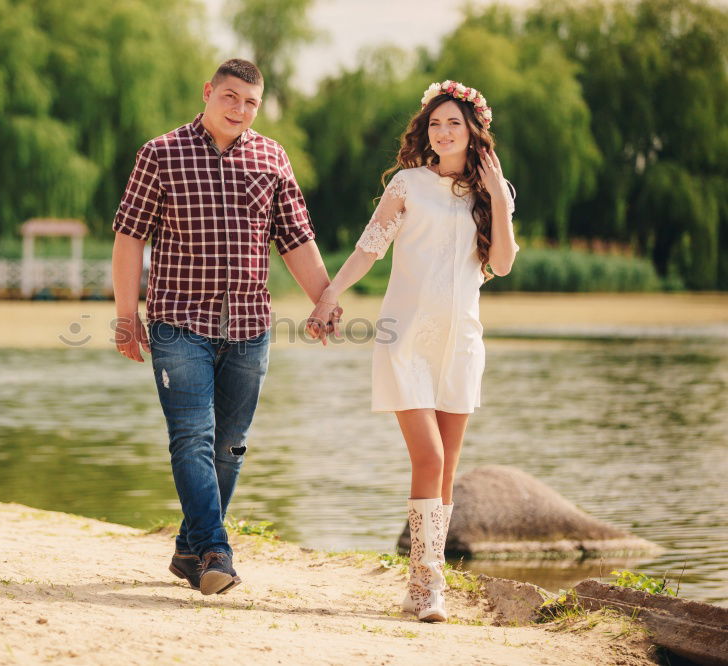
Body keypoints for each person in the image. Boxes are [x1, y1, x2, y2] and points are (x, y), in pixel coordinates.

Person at [111, 59, 340, 596]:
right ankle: (216, 549)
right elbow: (128, 237)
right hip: (177, 323)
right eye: (230, 97)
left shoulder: (271, 156)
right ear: (208, 92)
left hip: (249, 327)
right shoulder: (160, 153)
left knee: (230, 446)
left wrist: (324, 301)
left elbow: (296, 239)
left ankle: (189, 551)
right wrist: (126, 315)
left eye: (251, 103)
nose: (240, 110)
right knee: (192, 436)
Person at [307, 80, 519, 621]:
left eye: (453, 123)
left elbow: (504, 263)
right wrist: (330, 294)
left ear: (474, 130)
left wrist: (496, 195)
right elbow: (369, 249)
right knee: (428, 456)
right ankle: (427, 587)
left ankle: (425, 583)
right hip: (405, 337)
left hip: (462, 342)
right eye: (435, 123)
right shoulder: (408, 183)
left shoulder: (494, 193)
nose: (442, 132)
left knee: (447, 466)